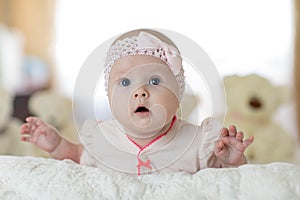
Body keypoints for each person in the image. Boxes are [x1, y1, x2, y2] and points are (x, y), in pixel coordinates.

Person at [20, 29, 254, 176]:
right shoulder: (102, 136)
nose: (140, 92)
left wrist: (233, 161)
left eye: (154, 80)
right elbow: (77, 154)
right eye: (125, 83)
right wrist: (57, 145)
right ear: (109, 96)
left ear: (178, 91)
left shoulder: (198, 142)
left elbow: (227, 184)